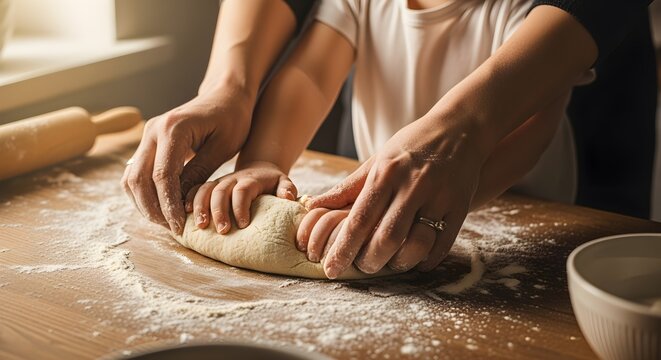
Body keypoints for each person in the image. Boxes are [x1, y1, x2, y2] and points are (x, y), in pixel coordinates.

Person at [122, 0, 656, 277]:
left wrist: (436, 205)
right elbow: (309, 74)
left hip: (507, 222)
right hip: (374, 206)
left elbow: (528, 131)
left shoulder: (526, 12)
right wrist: (262, 163)